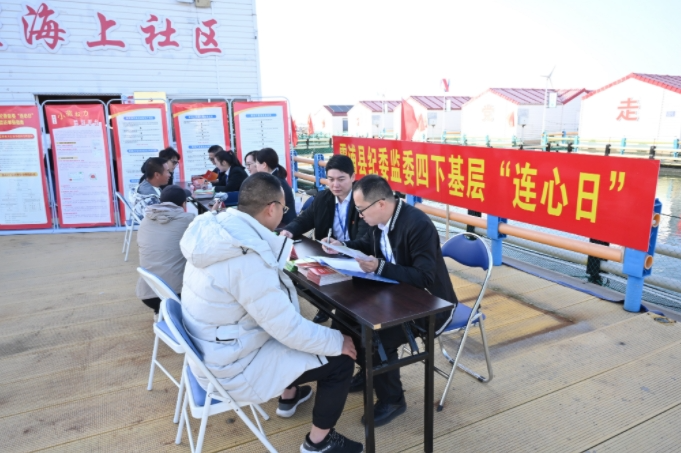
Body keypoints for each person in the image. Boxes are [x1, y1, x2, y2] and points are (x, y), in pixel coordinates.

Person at [179, 172, 363, 453]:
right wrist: (338, 341)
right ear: (272, 208)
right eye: (284, 209)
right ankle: (319, 442)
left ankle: (289, 396)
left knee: (291, 326)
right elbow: (287, 329)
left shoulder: (217, 233)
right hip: (233, 368)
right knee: (341, 359)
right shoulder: (247, 257)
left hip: (212, 350)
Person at [325, 174, 457, 428]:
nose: (359, 215)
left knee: (375, 334)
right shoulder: (378, 220)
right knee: (344, 317)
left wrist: (380, 267)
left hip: (428, 303)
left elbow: (425, 277)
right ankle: (368, 370)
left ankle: (393, 399)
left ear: (381, 204)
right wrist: (342, 246)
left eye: (361, 209)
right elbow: (367, 244)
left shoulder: (417, 225)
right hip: (394, 293)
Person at [280, 154, 369, 323]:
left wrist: (342, 245)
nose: (335, 185)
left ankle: (336, 312)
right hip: (329, 255)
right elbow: (305, 219)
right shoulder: (323, 198)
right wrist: (289, 231)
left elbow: (366, 240)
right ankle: (325, 306)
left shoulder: (364, 200)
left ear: (353, 177)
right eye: (331, 179)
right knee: (297, 274)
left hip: (356, 258)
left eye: (341, 179)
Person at [136, 185, 195, 321]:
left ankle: (161, 312)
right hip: (177, 294)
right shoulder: (188, 220)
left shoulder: (145, 221)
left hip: (148, 293)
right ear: (183, 204)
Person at [255, 147, 296, 224]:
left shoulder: (274, 182)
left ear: (264, 165)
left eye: (257, 162)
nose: (255, 165)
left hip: (284, 224)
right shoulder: (273, 178)